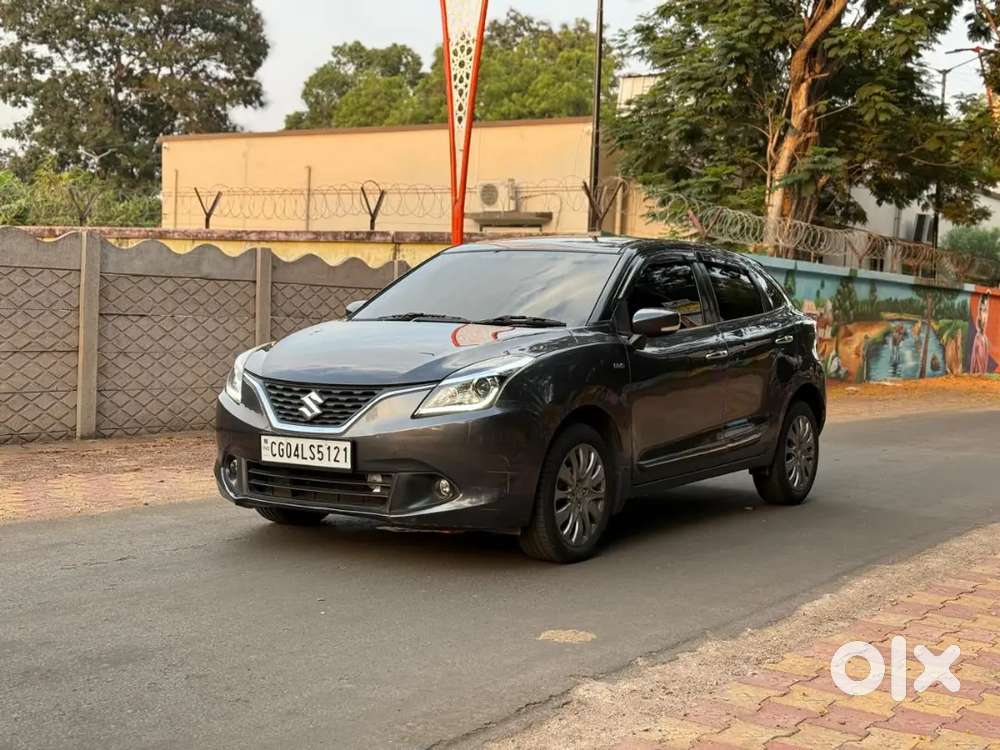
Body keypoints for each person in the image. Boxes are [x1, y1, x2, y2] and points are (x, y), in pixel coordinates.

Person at [969, 296, 993, 375]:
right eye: (983, 308)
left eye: (986, 308)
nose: (984, 310)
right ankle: (977, 372)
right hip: (979, 337)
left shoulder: (985, 313)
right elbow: (979, 325)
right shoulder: (980, 315)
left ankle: (981, 373)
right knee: (979, 355)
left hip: (983, 337)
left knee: (983, 357)